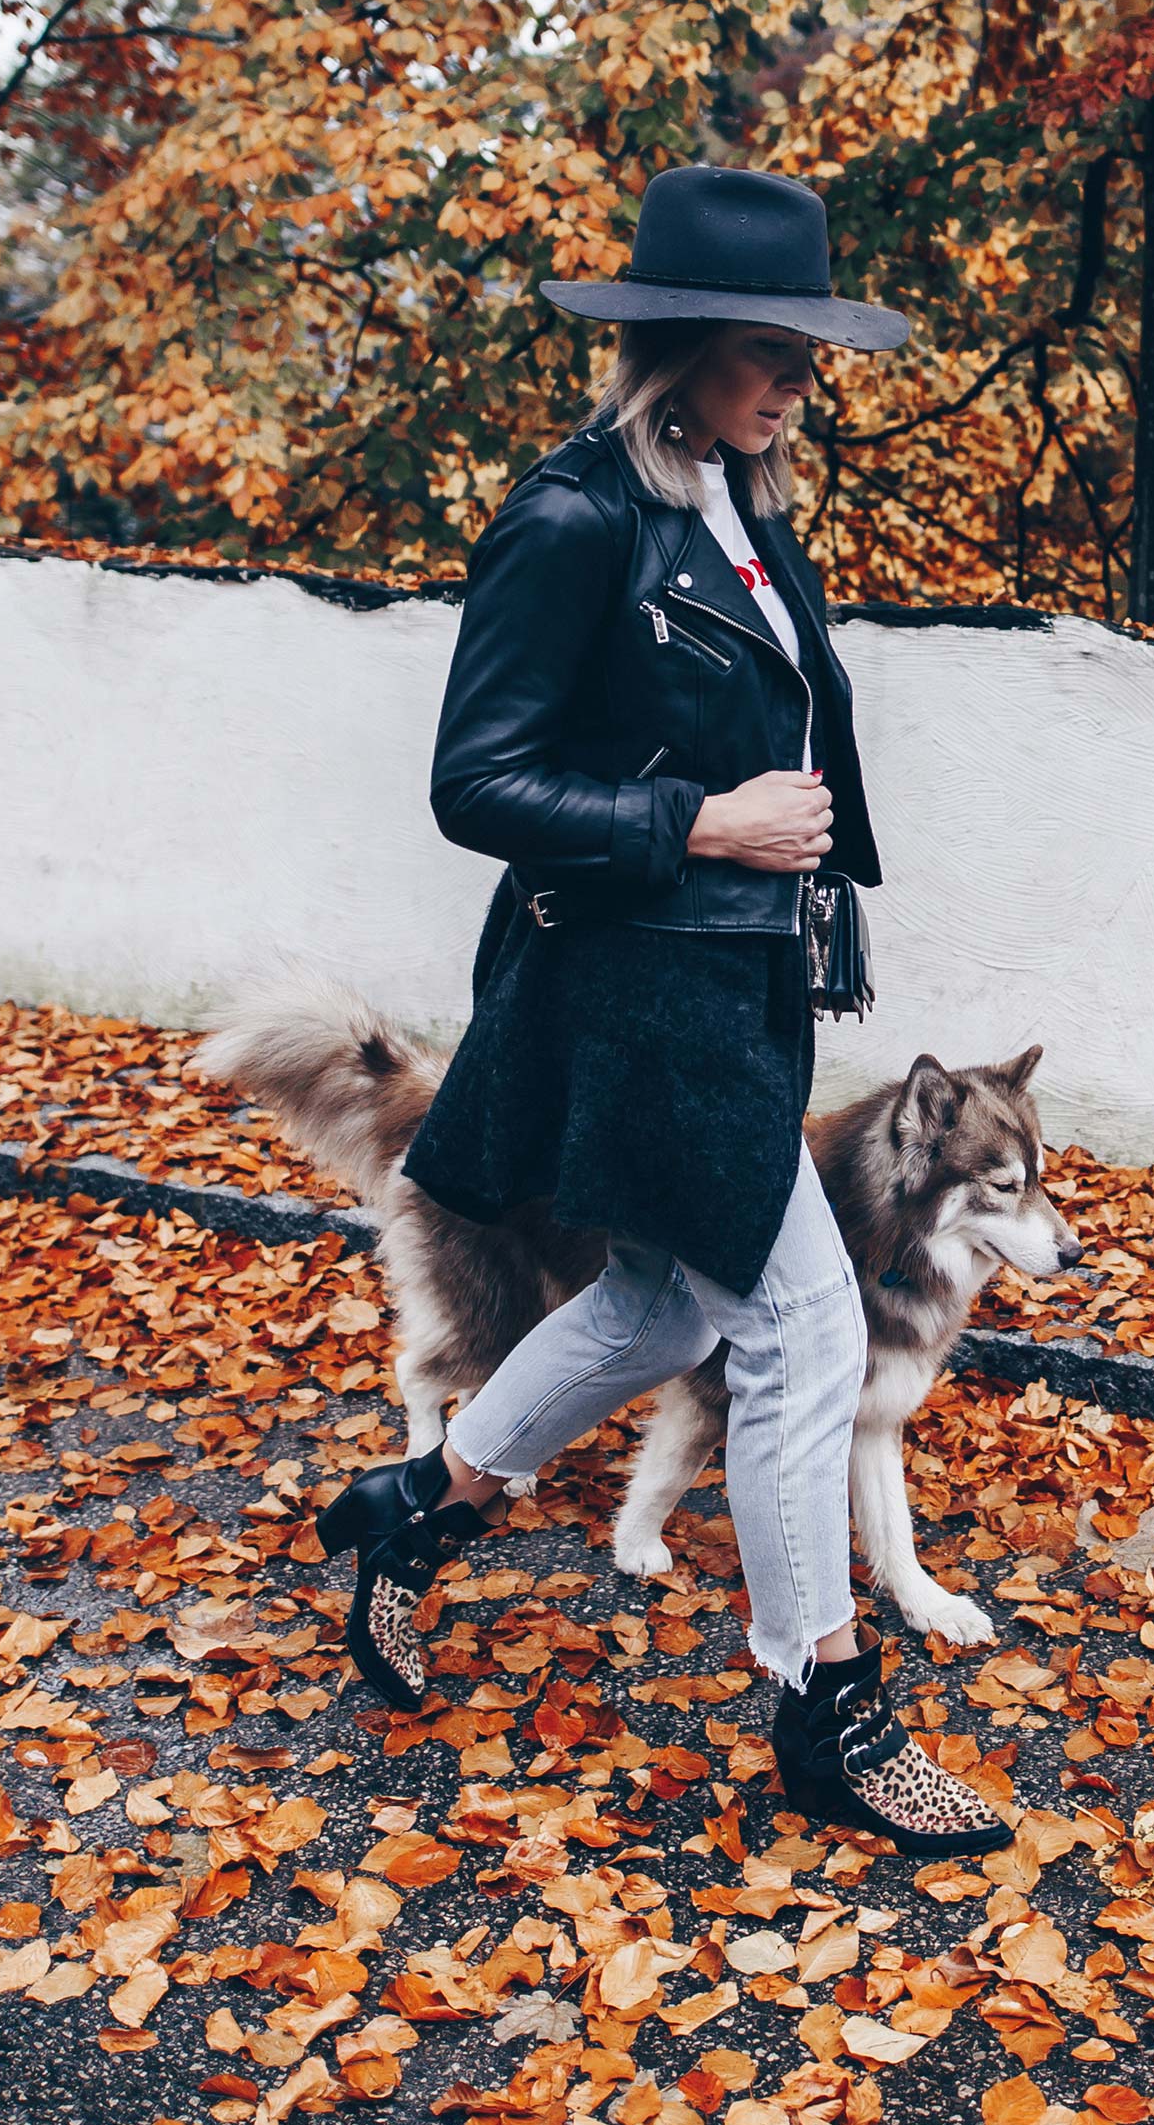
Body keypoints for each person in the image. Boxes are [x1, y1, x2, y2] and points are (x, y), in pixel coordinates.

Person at [314, 162, 1009, 1857]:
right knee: (804, 1325)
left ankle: (415, 1511)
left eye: (808, 353)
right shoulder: (570, 518)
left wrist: (777, 859)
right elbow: (476, 781)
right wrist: (697, 823)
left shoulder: (739, 501)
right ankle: (823, 1706)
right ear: (680, 344)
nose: (795, 381)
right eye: (771, 348)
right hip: (633, 995)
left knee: (662, 1310)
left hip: (734, 983)